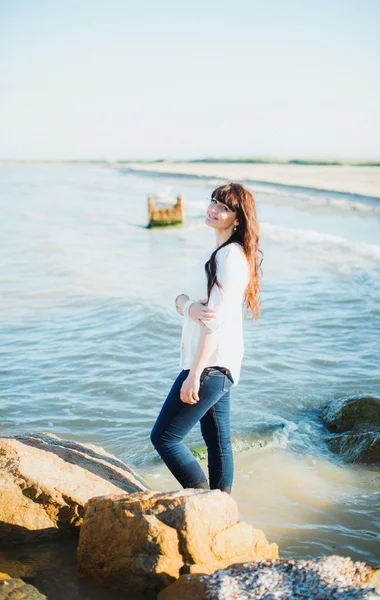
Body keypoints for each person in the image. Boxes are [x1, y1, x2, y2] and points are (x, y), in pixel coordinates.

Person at [150, 182, 263, 494]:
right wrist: (187, 306)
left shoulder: (230, 258)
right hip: (218, 364)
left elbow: (212, 322)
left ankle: (202, 500)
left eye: (224, 207)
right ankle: (220, 506)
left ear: (237, 219)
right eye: (213, 202)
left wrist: (195, 375)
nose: (213, 209)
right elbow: (183, 300)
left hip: (211, 365)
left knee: (165, 438)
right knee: (217, 441)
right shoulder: (219, 253)